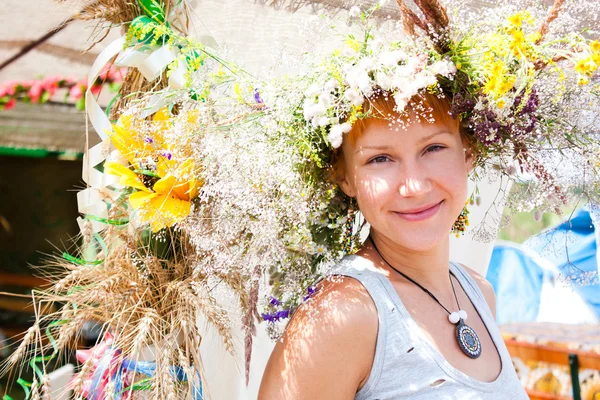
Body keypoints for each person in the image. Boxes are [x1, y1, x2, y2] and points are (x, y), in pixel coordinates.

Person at [258, 92, 529, 399]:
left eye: (434, 148)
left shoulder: (479, 292)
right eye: (380, 159)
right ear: (344, 177)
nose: (413, 186)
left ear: (468, 152)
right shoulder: (341, 315)